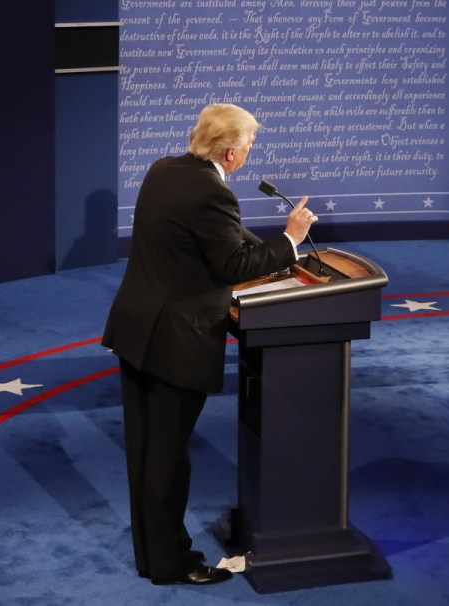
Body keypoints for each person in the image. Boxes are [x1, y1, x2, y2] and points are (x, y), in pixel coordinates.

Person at [102, 103, 317, 585]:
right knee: (167, 459)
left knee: (145, 452)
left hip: (138, 329)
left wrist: (277, 255)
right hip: (175, 340)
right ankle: (173, 564)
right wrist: (290, 239)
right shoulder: (210, 191)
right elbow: (232, 266)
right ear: (231, 151)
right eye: (249, 146)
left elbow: (216, 239)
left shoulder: (166, 170)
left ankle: (152, 556)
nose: (249, 153)